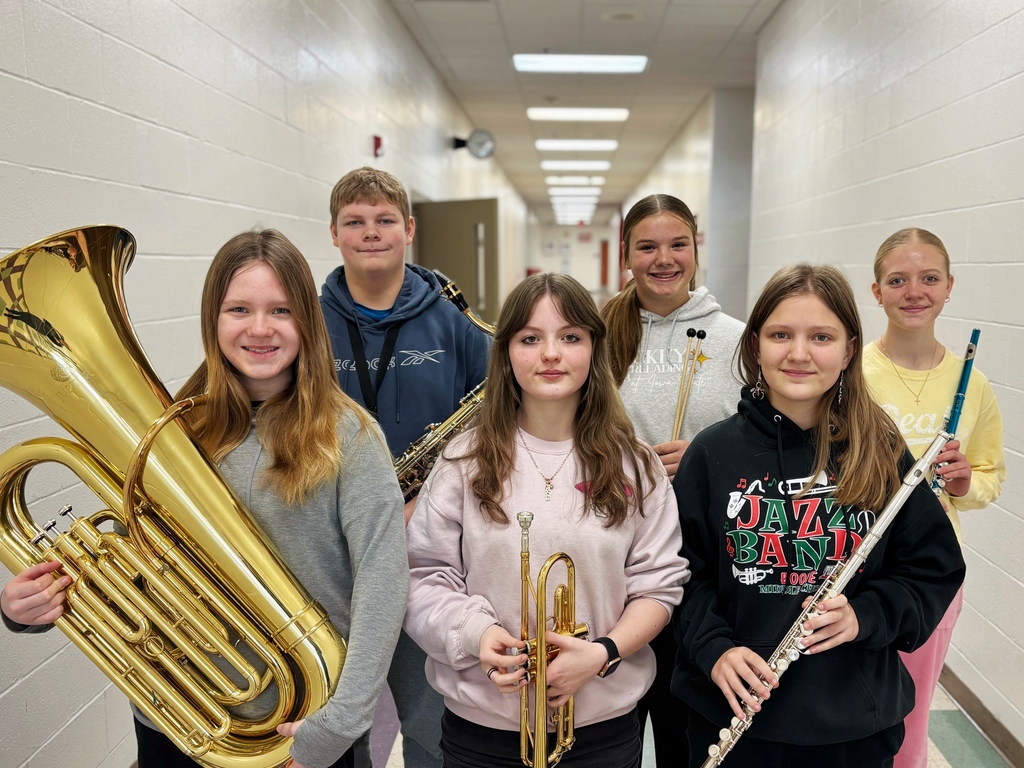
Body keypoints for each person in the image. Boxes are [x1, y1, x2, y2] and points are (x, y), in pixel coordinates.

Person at [1, 230, 409, 768]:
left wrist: (332, 732)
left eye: (281, 310)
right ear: (212, 321)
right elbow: (133, 562)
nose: (259, 328)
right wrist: (33, 606)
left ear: (307, 322)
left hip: (300, 734)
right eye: (238, 309)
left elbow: (384, 586)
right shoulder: (175, 429)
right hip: (174, 720)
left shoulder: (350, 437)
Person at [673, 264, 966, 768]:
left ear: (849, 349)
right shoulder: (710, 453)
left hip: (852, 725)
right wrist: (715, 647)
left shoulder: (879, 448)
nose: (799, 353)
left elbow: (932, 570)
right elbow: (678, 573)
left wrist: (864, 616)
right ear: (755, 345)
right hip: (733, 715)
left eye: (822, 336)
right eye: (780, 334)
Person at [404, 273, 689, 768]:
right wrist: (477, 635)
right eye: (530, 338)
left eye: (571, 337)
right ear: (507, 352)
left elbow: (658, 587)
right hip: (482, 733)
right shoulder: (462, 461)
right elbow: (422, 576)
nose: (551, 353)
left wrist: (602, 653)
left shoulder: (636, 466)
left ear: (594, 351)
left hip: (602, 729)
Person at [319, 166, 489, 767]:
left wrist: (431, 497)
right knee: (339, 712)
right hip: (333, 548)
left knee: (428, 717)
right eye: (355, 222)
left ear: (410, 229)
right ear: (333, 233)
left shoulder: (453, 319)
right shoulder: (307, 322)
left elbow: (492, 416)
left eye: (385, 220)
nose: (371, 233)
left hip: (427, 544)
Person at [601, 193, 744, 763]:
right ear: (625, 255)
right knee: (615, 723)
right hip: (619, 556)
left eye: (677, 244)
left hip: (704, 560)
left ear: (695, 248)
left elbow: (758, 443)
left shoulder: (738, 338)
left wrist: (712, 454)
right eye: (648, 246)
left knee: (689, 728)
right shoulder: (598, 333)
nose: (664, 258)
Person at [863, 228, 1005, 768]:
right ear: (877, 291)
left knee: (910, 723)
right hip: (850, 570)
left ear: (949, 287)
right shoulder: (852, 374)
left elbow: (991, 473)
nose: (914, 291)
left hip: (929, 573)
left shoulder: (976, 384)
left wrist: (968, 482)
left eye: (929, 279)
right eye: (897, 280)